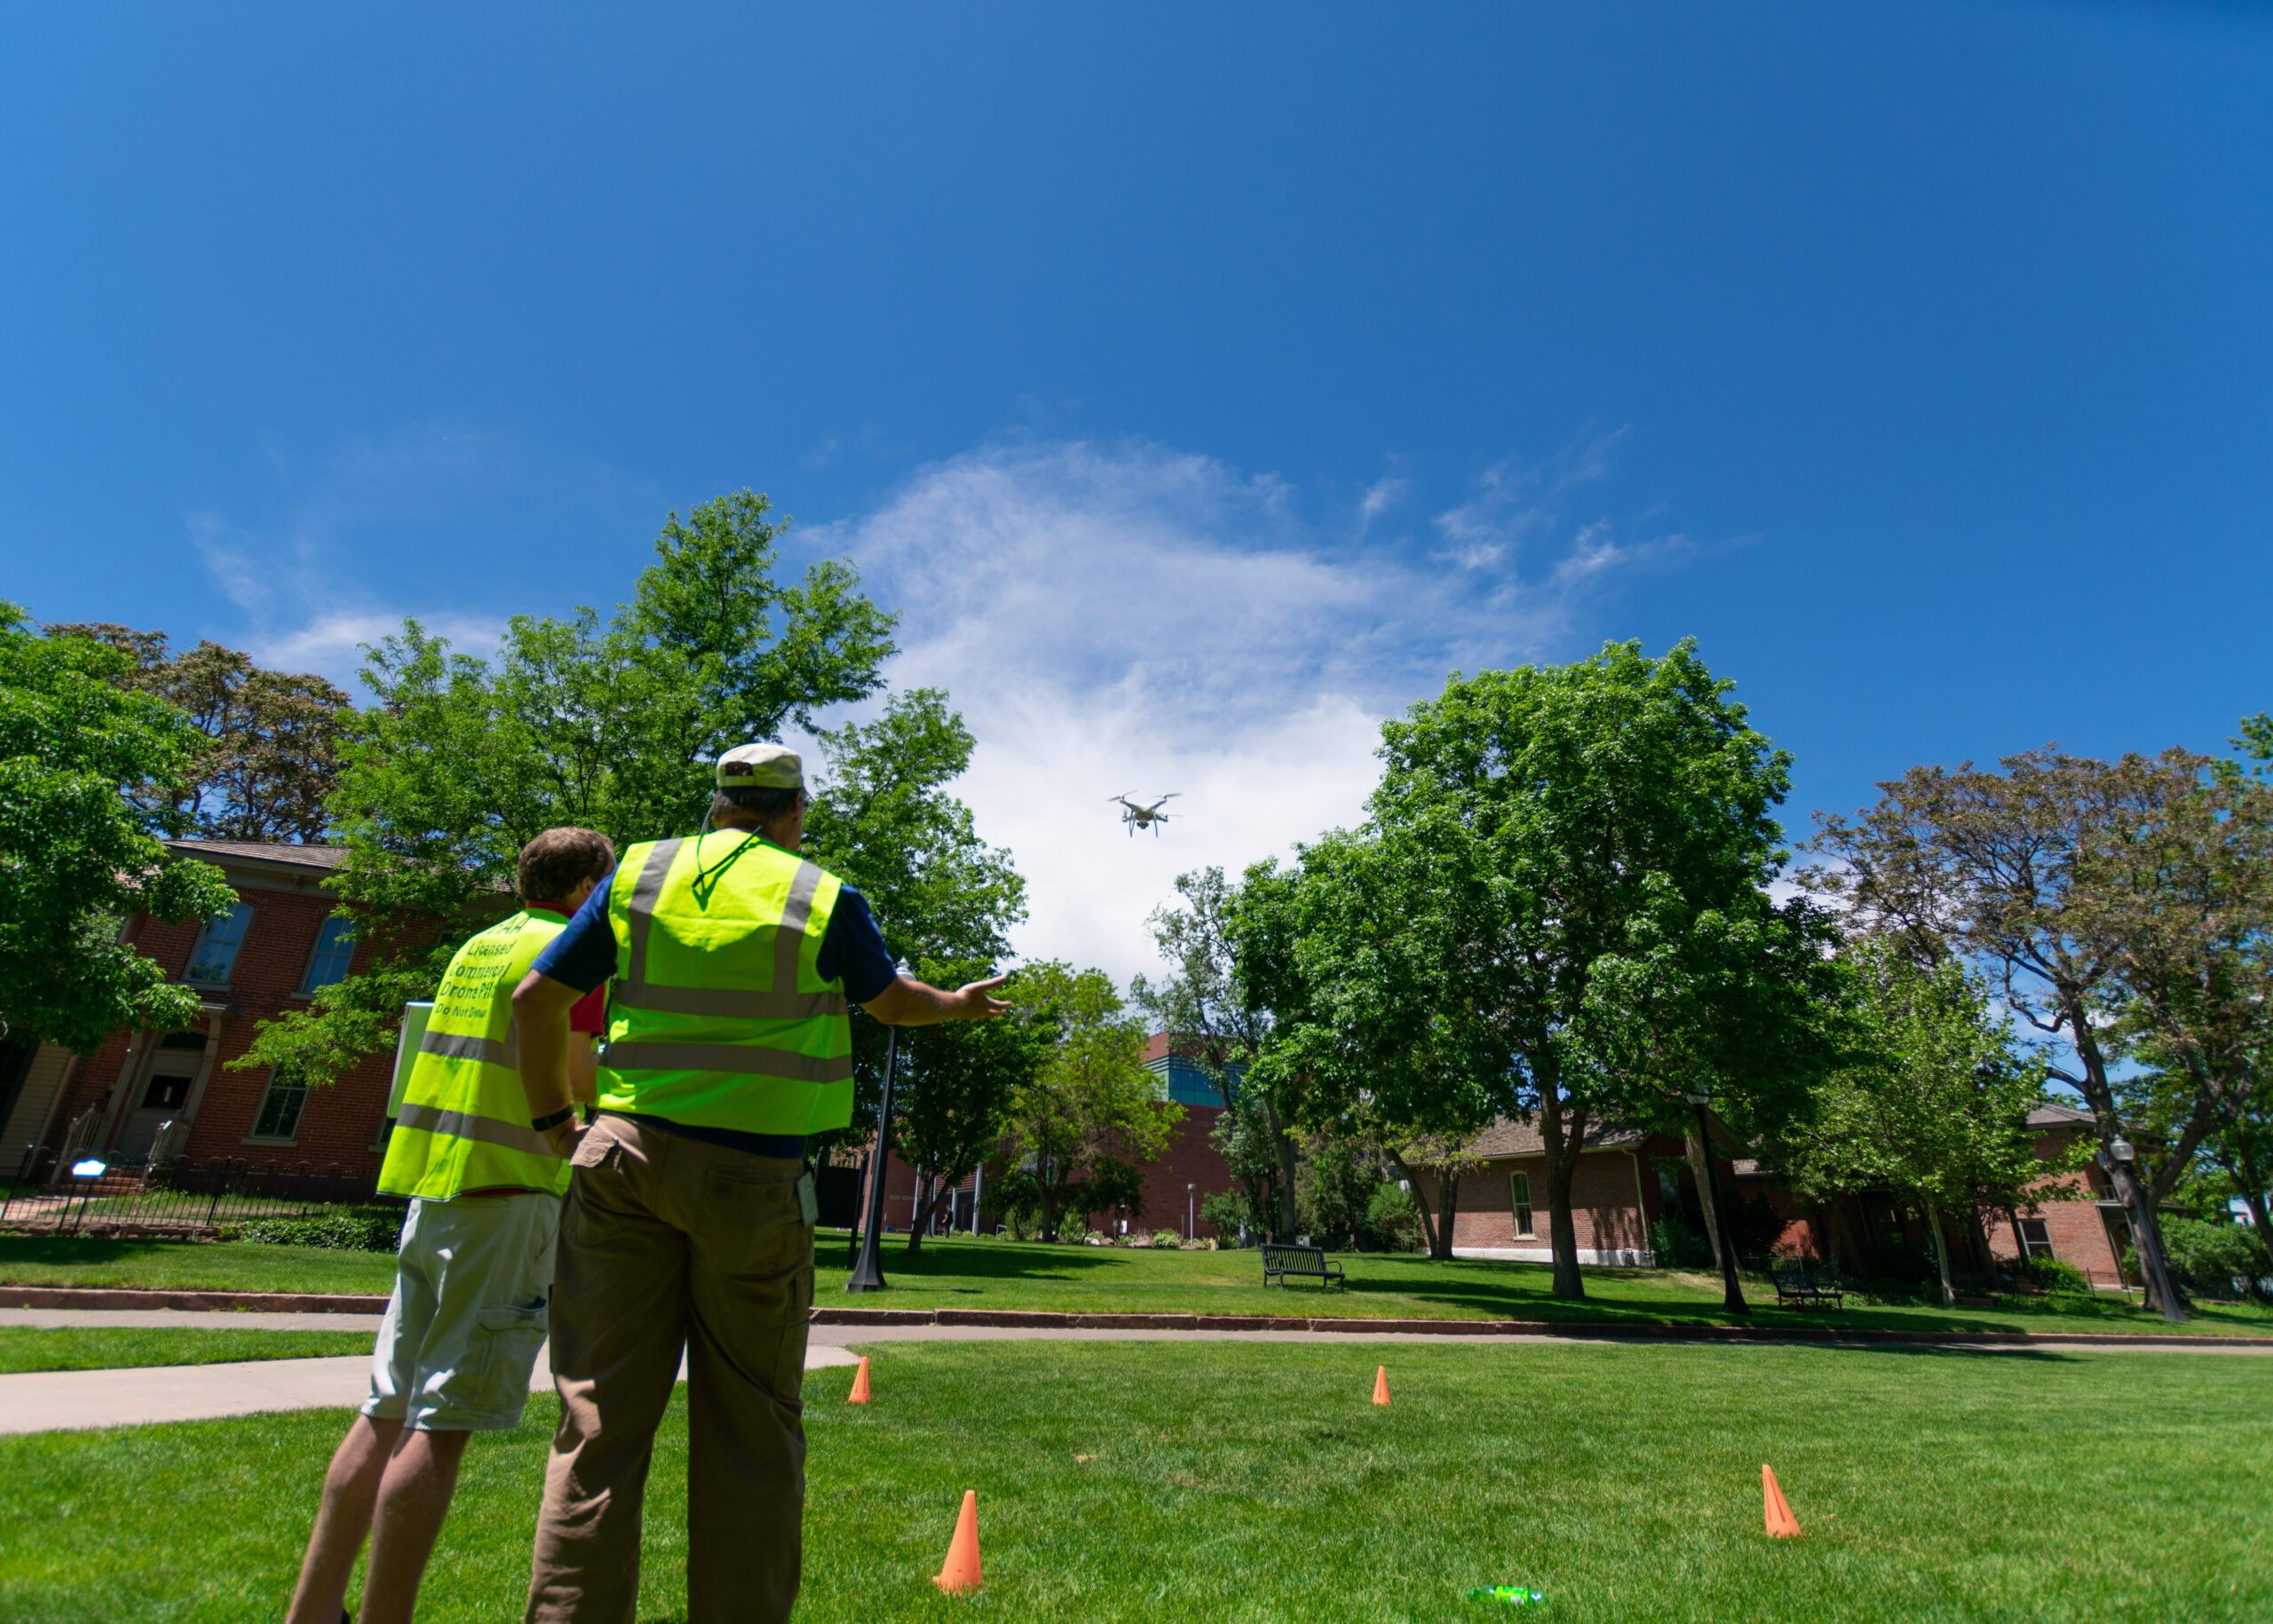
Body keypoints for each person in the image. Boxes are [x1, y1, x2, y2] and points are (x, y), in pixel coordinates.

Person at [511, 743, 1007, 1624]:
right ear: (794, 809)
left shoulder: (636, 876)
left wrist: (557, 1123)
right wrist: (960, 1004)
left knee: (595, 1431)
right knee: (750, 1430)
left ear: (720, 804)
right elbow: (892, 1001)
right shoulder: (818, 895)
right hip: (752, 1177)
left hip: (620, 1161)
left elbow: (532, 1000)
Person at [285, 827, 618, 1624]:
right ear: (583, 889)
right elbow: (576, 1076)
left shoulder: (478, 945)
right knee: (443, 1426)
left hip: (434, 1193)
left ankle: (311, 1611)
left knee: (385, 1408)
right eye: (606, 887)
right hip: (506, 1203)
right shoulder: (572, 951)